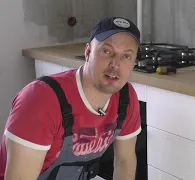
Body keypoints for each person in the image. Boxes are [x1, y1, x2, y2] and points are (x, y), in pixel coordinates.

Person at [0, 16, 142, 180]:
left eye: (126, 56)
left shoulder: (126, 97)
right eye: (106, 51)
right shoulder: (41, 100)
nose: (115, 64)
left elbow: (125, 161)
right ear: (88, 52)